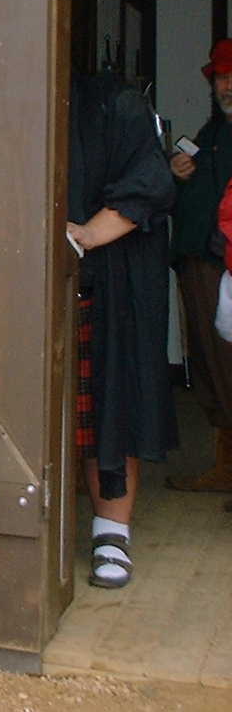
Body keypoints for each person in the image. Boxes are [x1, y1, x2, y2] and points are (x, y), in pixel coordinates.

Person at [67, 73, 176, 588]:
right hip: (35, 284)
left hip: (111, 286)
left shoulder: (118, 105)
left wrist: (85, 234)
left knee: (110, 407)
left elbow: (149, 187)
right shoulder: (25, 102)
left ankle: (112, 533)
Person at [168, 38, 232, 493]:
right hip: (198, 263)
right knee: (211, 367)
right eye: (222, 78)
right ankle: (224, 468)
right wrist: (176, 170)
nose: (227, 85)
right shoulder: (212, 131)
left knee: (225, 364)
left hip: (222, 263)